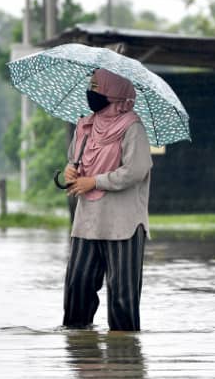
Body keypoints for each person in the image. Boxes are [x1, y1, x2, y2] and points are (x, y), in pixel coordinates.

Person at [62, 68, 152, 332]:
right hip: (87, 223)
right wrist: (67, 173)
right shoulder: (85, 127)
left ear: (114, 91)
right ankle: (79, 353)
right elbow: (74, 165)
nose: (91, 93)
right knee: (77, 288)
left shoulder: (132, 128)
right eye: (90, 86)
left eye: (97, 87)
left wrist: (95, 181)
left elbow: (136, 170)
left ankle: (125, 359)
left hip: (122, 225)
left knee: (122, 297)